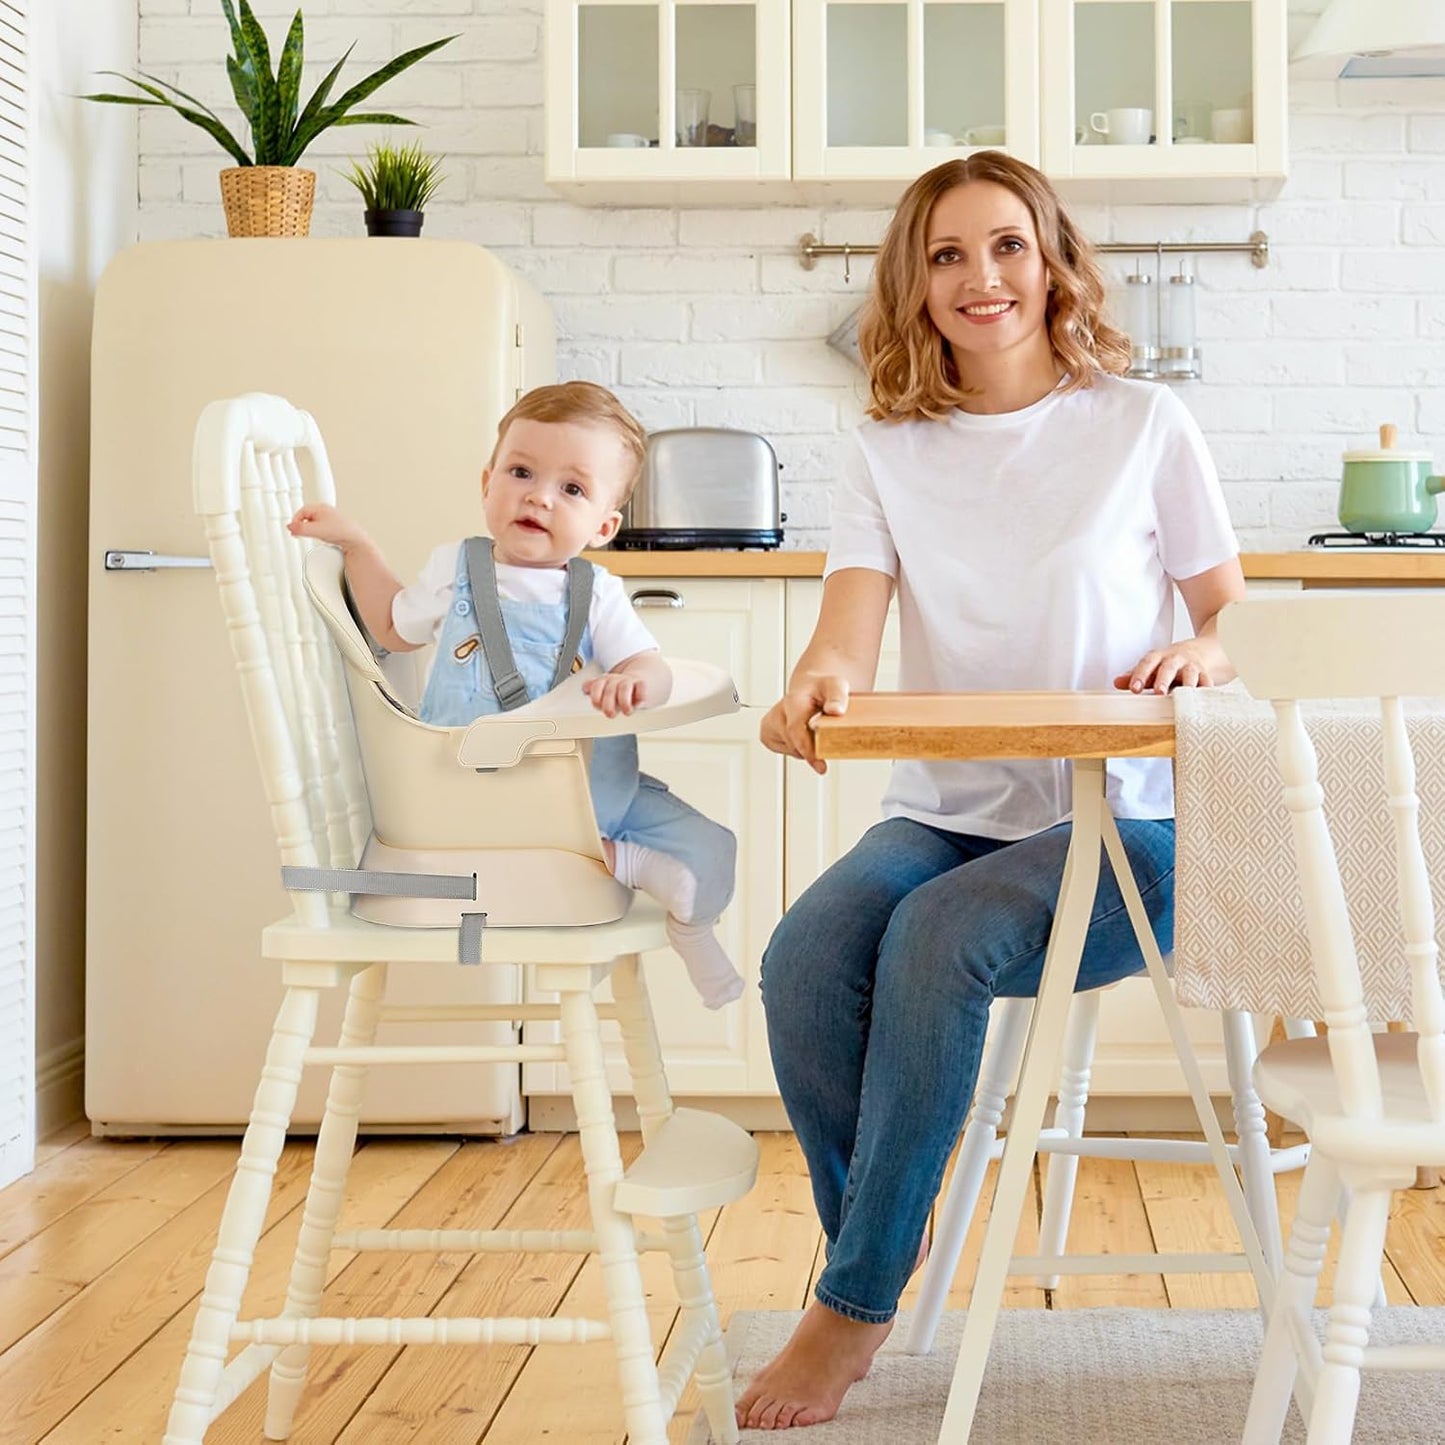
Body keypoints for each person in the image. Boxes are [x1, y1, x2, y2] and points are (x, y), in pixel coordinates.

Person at [736, 152, 1246, 1430]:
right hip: (949, 808)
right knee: (804, 955)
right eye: (948, 253)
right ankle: (881, 1238)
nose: (981, 277)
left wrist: (1201, 648)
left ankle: (847, 1305)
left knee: (938, 937)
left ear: (1051, 259)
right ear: (914, 282)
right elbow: (845, 628)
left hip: (1136, 816)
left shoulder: (1140, 422)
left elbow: (1224, 605)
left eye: (1006, 245)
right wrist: (813, 682)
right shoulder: (883, 448)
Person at [289, 380, 744, 1009]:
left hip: (597, 790)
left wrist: (635, 680)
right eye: (522, 471)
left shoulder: (600, 592)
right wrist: (357, 546)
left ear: (604, 524)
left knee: (715, 848)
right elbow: (393, 626)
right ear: (487, 482)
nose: (539, 496)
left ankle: (692, 929)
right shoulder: (457, 568)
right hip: (483, 799)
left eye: (573, 489)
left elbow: (653, 666)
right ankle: (624, 865)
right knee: (589, 852)